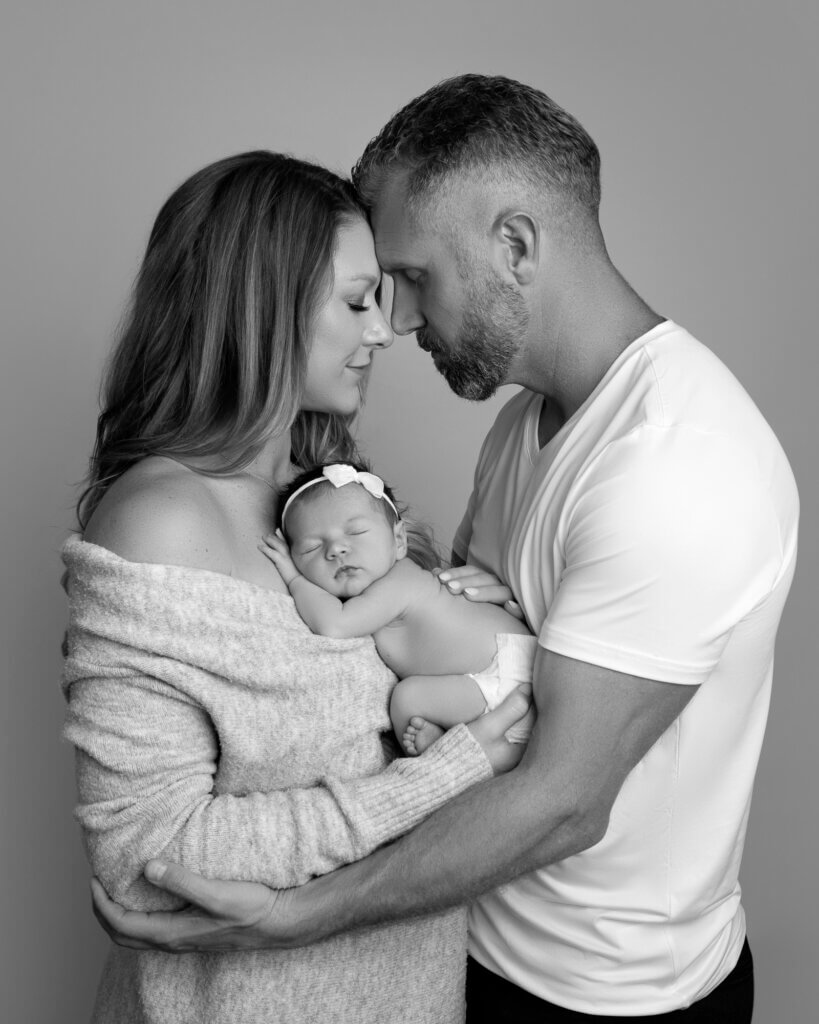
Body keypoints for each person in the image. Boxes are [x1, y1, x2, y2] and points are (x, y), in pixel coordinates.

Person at [90, 77, 799, 1022]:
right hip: (455, 950)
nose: (399, 322)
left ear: (513, 244)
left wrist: (300, 915)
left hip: (592, 994)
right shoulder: (523, 428)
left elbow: (558, 800)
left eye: (412, 278)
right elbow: (428, 685)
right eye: (367, 295)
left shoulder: (675, 469)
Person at [61, 149, 528, 1024]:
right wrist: (445, 777)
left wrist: (456, 609)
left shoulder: (320, 493)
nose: (384, 331)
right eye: (355, 302)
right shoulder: (160, 522)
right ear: (262, 310)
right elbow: (143, 858)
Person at [261, 460, 537, 754]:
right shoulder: (384, 590)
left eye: (355, 533)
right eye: (312, 548)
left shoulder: (399, 580)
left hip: (503, 676)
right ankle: (449, 739)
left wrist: (292, 576)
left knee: (407, 698)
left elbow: (334, 625)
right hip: (499, 672)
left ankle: (489, 757)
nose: (336, 549)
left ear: (399, 540)